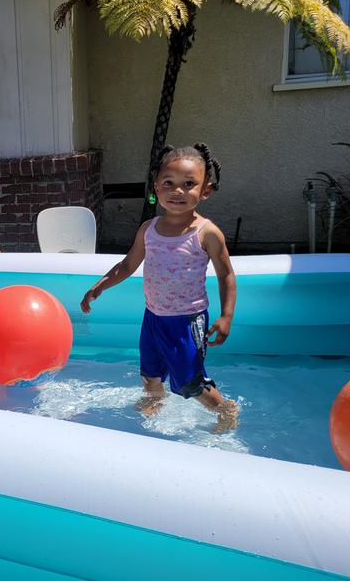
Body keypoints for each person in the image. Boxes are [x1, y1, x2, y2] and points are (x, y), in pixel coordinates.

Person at [80, 143, 238, 433]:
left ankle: (226, 409)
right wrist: (101, 285)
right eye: (169, 183)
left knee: (189, 384)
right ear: (156, 187)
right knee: (150, 373)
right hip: (153, 318)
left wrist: (226, 316)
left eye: (189, 184)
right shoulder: (148, 229)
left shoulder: (206, 233)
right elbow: (128, 265)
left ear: (205, 191)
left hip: (186, 320)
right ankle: (155, 402)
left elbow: (226, 274)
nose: (178, 191)